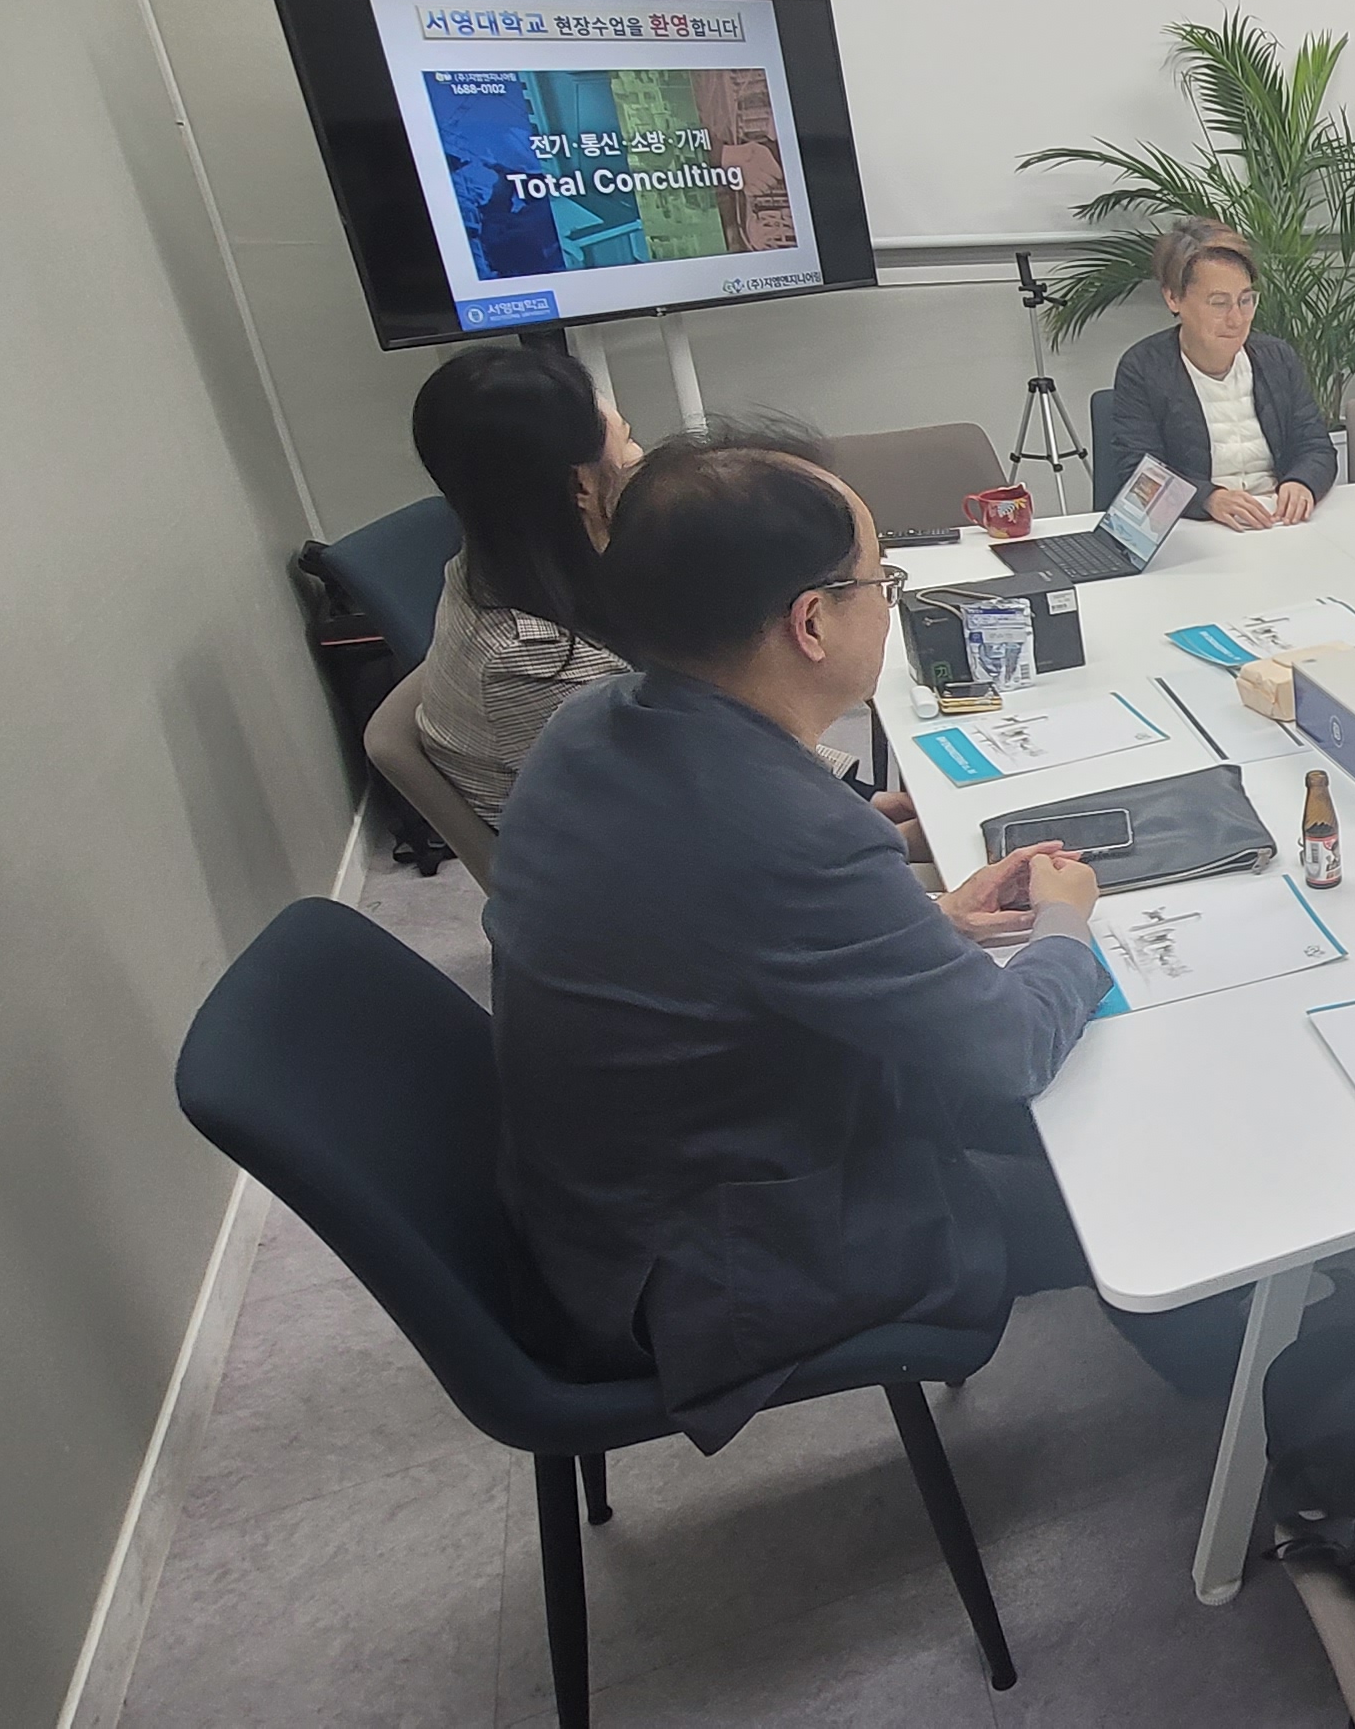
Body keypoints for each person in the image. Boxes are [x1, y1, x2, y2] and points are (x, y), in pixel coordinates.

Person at [486, 424, 1222, 1446]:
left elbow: (712, 910)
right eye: (882, 580)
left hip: (605, 1193)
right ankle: (1245, 1374)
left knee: (1084, 1108)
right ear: (811, 622)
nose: (890, 599)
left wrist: (916, 908)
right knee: (1135, 1173)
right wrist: (1065, 920)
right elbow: (1008, 1049)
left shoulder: (594, 723)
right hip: (712, 1259)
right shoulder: (787, 839)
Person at [402, 345, 643, 826]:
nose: (639, 459)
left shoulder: (494, 560)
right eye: (629, 446)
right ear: (581, 485)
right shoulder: (536, 662)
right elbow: (679, 800)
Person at [1097, 218, 1342, 531]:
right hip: (1197, 529)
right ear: (1173, 298)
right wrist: (1208, 499)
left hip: (1278, 522)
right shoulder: (1144, 367)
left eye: (1245, 300)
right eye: (1219, 303)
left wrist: (1302, 482)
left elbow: (1316, 447)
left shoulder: (1277, 358)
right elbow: (1140, 473)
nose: (1237, 319)